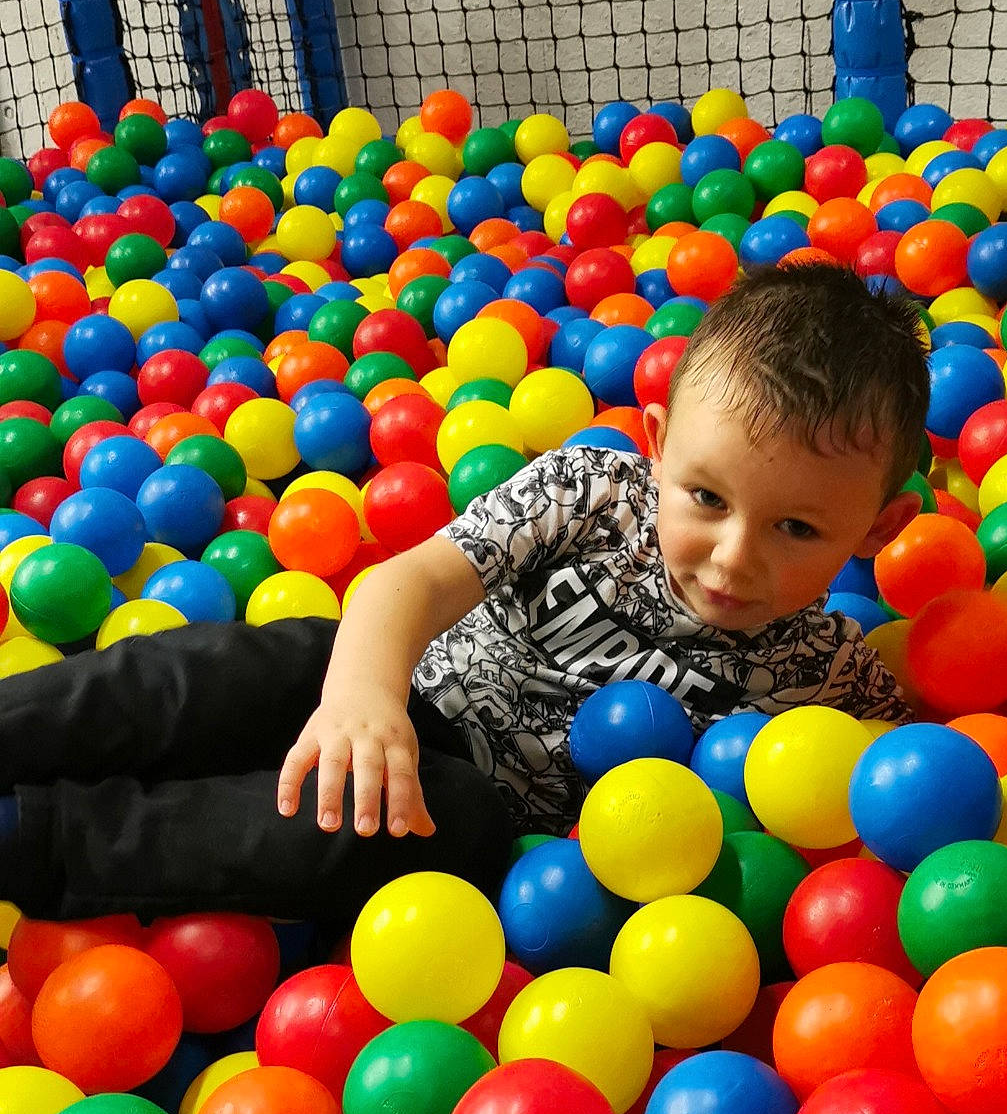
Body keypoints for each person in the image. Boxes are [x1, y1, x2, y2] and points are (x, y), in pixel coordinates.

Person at [0, 263, 928, 929]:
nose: (734, 558)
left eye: (796, 530)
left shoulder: (834, 683)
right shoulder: (590, 490)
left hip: (487, 815)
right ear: (656, 444)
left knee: (399, 828)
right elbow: (409, 580)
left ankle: (37, 838)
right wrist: (361, 697)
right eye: (706, 499)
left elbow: (911, 803)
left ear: (875, 534)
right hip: (402, 689)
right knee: (247, 661)